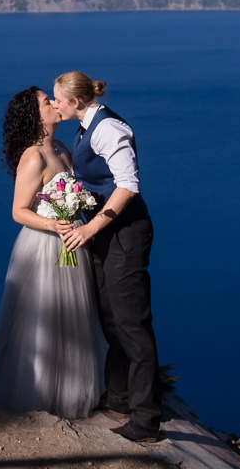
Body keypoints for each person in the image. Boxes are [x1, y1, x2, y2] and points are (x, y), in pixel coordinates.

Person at [0, 86, 106, 420]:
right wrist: (54, 226)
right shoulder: (34, 156)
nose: (55, 104)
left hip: (70, 241)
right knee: (41, 319)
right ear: (35, 116)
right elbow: (18, 211)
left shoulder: (61, 148)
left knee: (73, 318)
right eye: (48, 102)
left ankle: (72, 392)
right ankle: (36, 396)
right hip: (44, 248)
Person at [52, 71, 163, 443]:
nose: (55, 105)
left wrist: (89, 228)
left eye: (59, 101)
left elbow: (128, 186)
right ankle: (119, 400)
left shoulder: (109, 129)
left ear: (77, 102)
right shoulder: (85, 125)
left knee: (132, 323)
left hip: (125, 234)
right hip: (105, 233)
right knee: (110, 316)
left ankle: (146, 421)